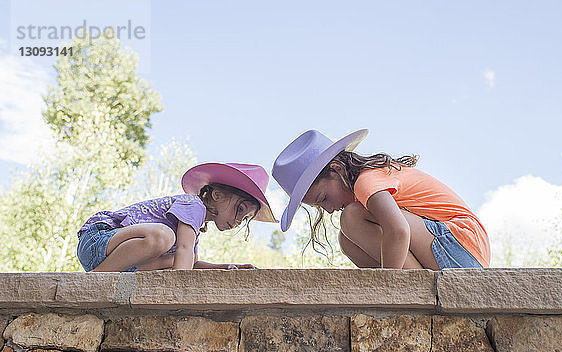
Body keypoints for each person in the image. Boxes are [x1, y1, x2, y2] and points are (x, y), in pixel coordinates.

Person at [272, 129, 490, 270]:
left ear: (336, 169)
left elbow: (398, 230)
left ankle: (402, 286)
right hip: (456, 254)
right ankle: (411, 283)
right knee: (346, 240)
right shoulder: (366, 185)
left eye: (324, 198)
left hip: (460, 245)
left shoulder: (367, 182)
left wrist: (388, 288)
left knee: (352, 217)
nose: (328, 210)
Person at [76, 163, 277, 272]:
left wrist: (230, 267)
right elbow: (184, 255)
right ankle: (97, 279)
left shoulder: (193, 232)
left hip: (122, 262)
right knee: (164, 236)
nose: (240, 220)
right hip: (99, 241)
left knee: (178, 258)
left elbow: (190, 264)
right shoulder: (193, 204)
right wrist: (179, 291)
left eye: (246, 218)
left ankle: (102, 276)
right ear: (217, 195)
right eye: (240, 209)